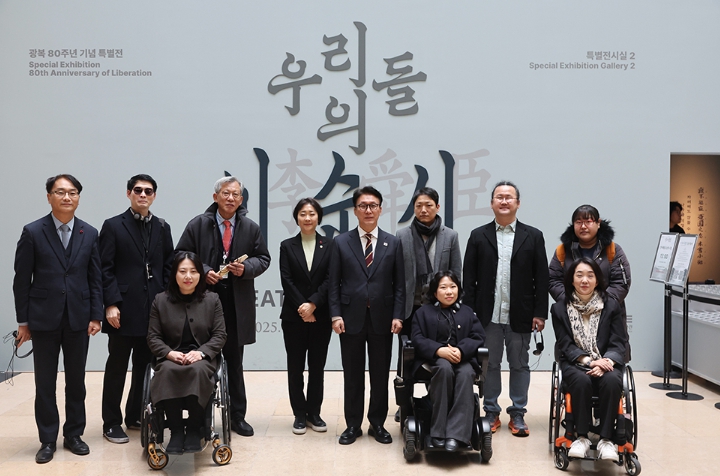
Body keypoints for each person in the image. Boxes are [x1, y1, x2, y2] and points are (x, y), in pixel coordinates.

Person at [13, 174, 103, 464]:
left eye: (72, 192)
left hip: (79, 318)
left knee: (76, 382)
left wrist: (96, 315)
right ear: (49, 196)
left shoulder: (89, 232)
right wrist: (23, 321)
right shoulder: (33, 232)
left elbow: (95, 278)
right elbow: (21, 280)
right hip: (43, 319)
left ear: (78, 197)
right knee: (45, 383)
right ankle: (48, 439)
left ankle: (74, 434)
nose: (67, 197)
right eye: (60, 192)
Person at [176, 176, 270, 437]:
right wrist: (203, 270)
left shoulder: (250, 227)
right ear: (215, 197)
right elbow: (181, 253)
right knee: (203, 360)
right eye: (226, 193)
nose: (231, 198)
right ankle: (200, 417)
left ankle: (238, 416)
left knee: (235, 362)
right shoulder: (198, 224)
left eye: (236, 194)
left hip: (236, 302)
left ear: (241, 199)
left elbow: (264, 258)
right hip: (203, 302)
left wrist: (246, 268)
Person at [463, 180, 548, 437]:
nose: (504, 201)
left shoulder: (533, 236)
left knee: (519, 364)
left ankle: (518, 413)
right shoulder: (478, 236)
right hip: (486, 315)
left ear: (518, 203)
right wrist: (468, 313)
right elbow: (469, 279)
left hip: (520, 313)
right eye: (499, 197)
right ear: (491, 203)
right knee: (489, 364)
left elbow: (541, 278)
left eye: (509, 197)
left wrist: (539, 313)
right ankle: (491, 411)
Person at [99, 174, 174, 444]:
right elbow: (105, 269)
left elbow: (169, 265)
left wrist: (165, 300)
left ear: (154, 196)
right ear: (129, 193)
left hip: (153, 311)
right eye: (138, 190)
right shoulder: (113, 226)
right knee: (117, 368)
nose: (143, 195)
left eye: (148, 191)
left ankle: (135, 415)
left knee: (145, 367)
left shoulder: (162, 227)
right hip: (122, 310)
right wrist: (111, 303)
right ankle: (111, 422)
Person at [329, 186, 405, 445]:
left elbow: (400, 284)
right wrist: (335, 315)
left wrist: (398, 315)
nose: (368, 210)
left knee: (380, 374)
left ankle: (377, 423)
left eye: (373, 205)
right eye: (363, 206)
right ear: (355, 210)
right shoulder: (341, 242)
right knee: (352, 375)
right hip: (350, 318)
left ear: (380, 209)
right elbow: (333, 284)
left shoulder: (393, 242)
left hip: (383, 318)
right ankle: (352, 425)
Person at [146, 252, 227, 454]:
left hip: (202, 358)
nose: (188, 276)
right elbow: (153, 337)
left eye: (193, 271)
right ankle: (175, 431)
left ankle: (193, 429)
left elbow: (220, 335)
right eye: (182, 271)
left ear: (200, 274)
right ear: (175, 274)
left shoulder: (212, 300)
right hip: (171, 357)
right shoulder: (160, 301)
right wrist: (169, 353)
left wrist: (201, 353)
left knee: (197, 371)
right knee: (166, 371)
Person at [394, 186, 462, 421]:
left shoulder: (450, 236)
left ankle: (437, 400)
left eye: (428, 205)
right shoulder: (402, 236)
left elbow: (456, 274)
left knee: (437, 356)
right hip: (410, 309)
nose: (423, 210)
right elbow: (396, 277)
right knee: (406, 357)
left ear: (437, 207)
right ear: (413, 208)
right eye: (419, 206)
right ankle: (404, 404)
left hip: (440, 309)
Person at [551, 257, 626, 462]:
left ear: (597, 280)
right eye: (579, 275)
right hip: (576, 362)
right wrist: (590, 362)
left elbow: (619, 341)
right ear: (571, 280)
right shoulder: (559, 308)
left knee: (612, 380)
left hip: (606, 362)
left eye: (590, 276)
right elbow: (565, 344)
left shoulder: (611, 305)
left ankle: (606, 440)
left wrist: (607, 362)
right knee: (581, 380)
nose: (585, 280)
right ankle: (581, 437)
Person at [411, 271, 485, 452]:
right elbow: (417, 338)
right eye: (443, 287)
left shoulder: (467, 312)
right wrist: (438, 350)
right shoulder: (422, 313)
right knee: (444, 369)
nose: (449, 292)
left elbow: (478, 336)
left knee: (466, 373)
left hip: (462, 359)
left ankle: (456, 435)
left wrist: (461, 350)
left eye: (453, 287)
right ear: (435, 292)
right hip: (433, 361)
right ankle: (438, 432)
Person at [547, 205, 631, 361]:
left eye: (588, 221)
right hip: (572, 312)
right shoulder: (563, 250)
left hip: (606, 313)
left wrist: (602, 303)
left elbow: (621, 283)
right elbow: (553, 280)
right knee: (572, 353)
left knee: (610, 350)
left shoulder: (612, 250)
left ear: (598, 223)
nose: (583, 226)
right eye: (578, 222)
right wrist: (571, 301)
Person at [279, 198, 333, 435]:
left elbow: (331, 279)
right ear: (297, 218)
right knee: (295, 367)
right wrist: (303, 308)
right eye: (303, 214)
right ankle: (299, 414)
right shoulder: (287, 245)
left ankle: (314, 413)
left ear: (318, 217)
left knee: (317, 367)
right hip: (294, 317)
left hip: (321, 316)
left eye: (311, 213)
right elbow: (286, 280)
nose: (307, 218)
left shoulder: (329, 244)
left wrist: (313, 304)